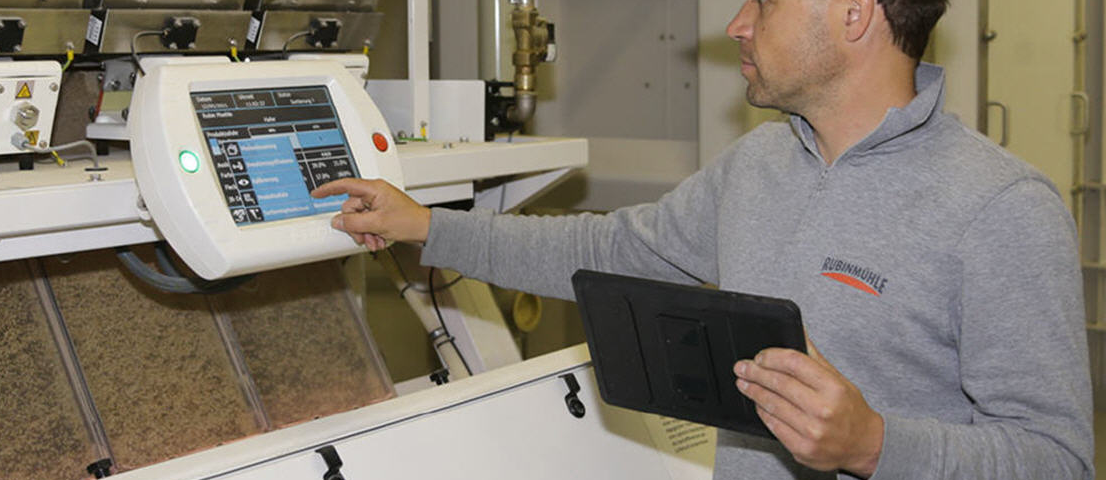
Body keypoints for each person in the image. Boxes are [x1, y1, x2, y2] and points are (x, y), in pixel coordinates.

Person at [312, 0, 1094, 478]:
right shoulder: (759, 164)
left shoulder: (1000, 208)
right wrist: (426, 226)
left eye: (765, 2)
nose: (737, 24)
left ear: (854, 14)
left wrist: (874, 445)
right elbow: (607, 252)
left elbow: (1055, 459)